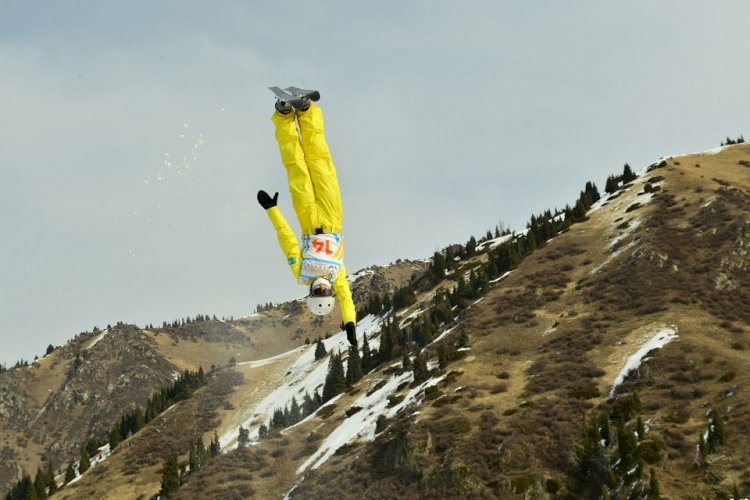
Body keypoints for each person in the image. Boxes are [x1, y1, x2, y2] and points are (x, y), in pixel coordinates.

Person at [257, 93, 357, 346]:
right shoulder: (337, 276)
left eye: (317, 292)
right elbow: (347, 300)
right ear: (331, 291)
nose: (321, 287)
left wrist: (272, 210)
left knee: (297, 166)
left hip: (307, 220)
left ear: (310, 292)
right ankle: (307, 112)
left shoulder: (302, 273)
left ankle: (284, 118)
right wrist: (350, 324)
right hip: (332, 216)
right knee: (321, 162)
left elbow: (287, 240)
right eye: (324, 292)